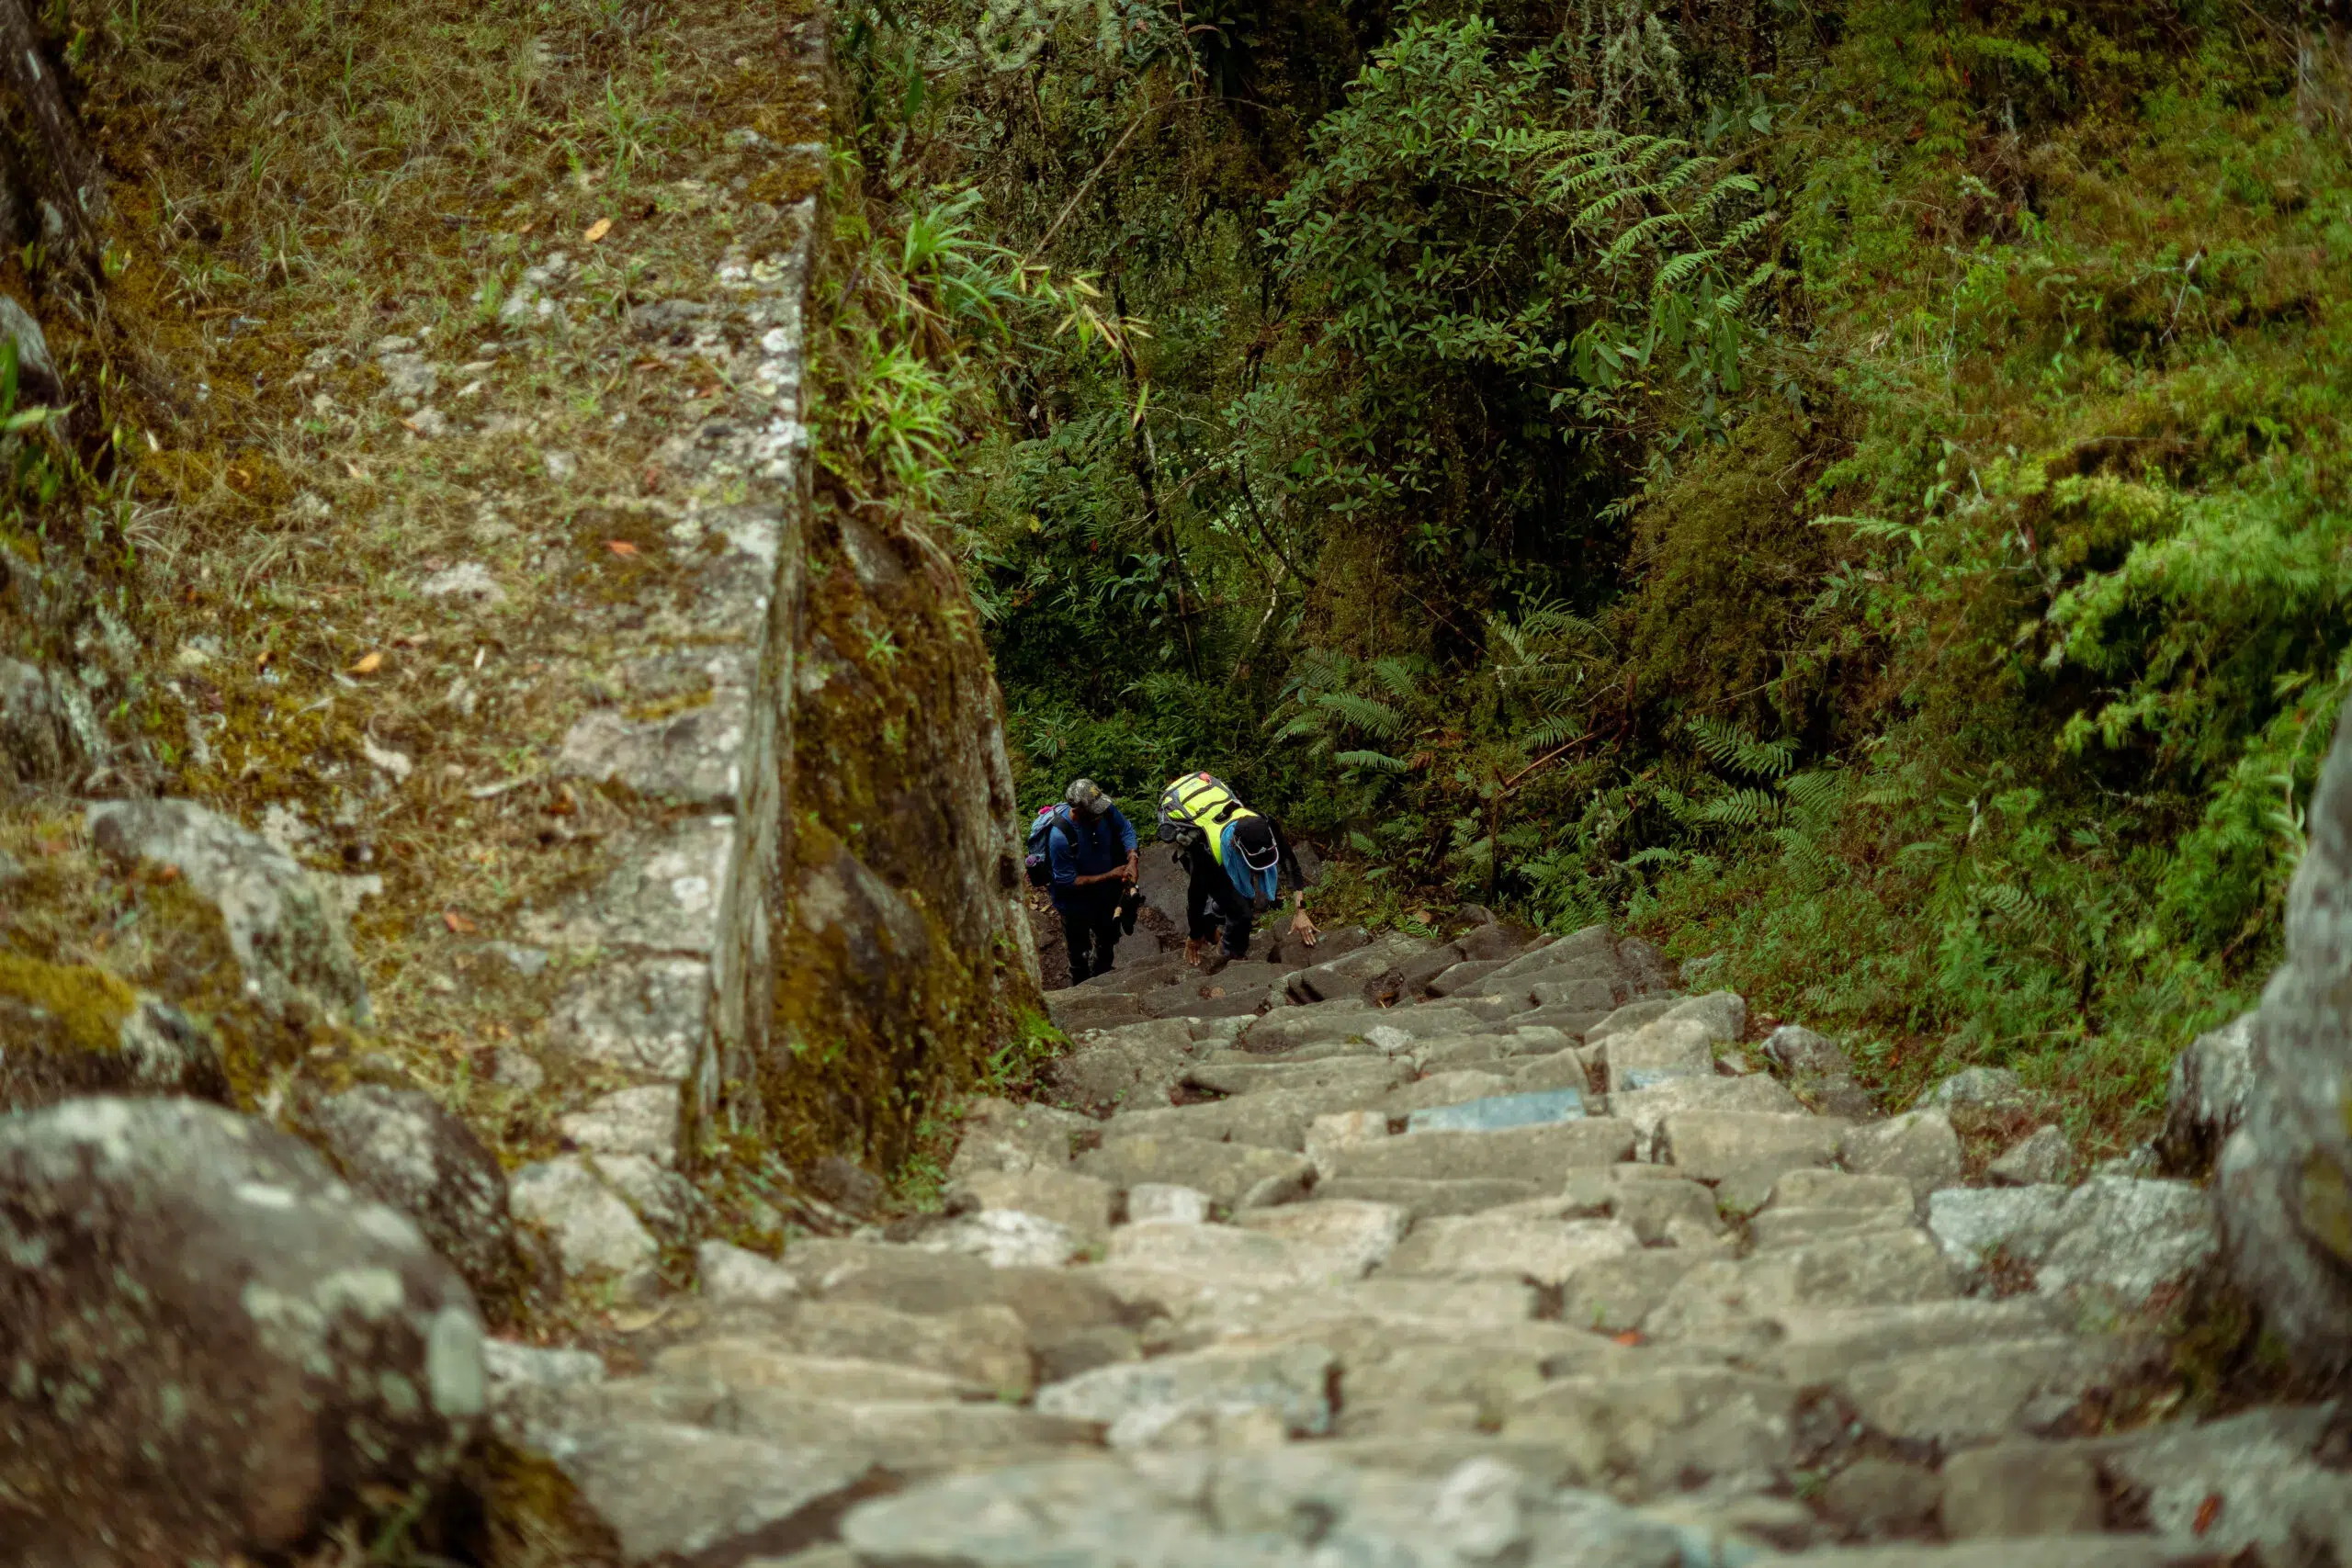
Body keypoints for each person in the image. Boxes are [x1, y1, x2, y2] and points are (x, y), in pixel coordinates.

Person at [1157, 772, 1317, 975]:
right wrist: (1195, 936)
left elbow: (1291, 865)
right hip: (1201, 847)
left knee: (1238, 900)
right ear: (1235, 846)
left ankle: (1216, 915)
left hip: (1221, 835)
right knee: (1241, 911)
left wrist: (1300, 911)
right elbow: (1195, 897)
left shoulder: (1265, 826)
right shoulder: (1207, 853)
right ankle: (1230, 954)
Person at [1046, 777, 1139, 983]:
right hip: (1075, 904)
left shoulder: (1104, 809)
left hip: (1106, 896)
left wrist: (1132, 858)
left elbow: (1126, 830)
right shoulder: (1060, 837)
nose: (1100, 814)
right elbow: (1067, 881)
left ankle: (1103, 978)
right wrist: (1109, 875)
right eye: (1093, 812)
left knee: (1107, 941)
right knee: (1079, 952)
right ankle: (1080, 987)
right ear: (1078, 810)